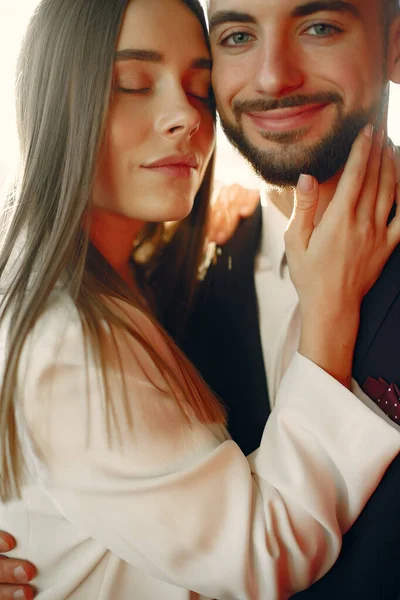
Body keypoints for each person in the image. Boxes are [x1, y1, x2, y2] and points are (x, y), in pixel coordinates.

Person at [0, 0, 400, 599]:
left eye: (196, 87)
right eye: (237, 36)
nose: (272, 75)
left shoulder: (159, 274)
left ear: (394, 44)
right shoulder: (171, 289)